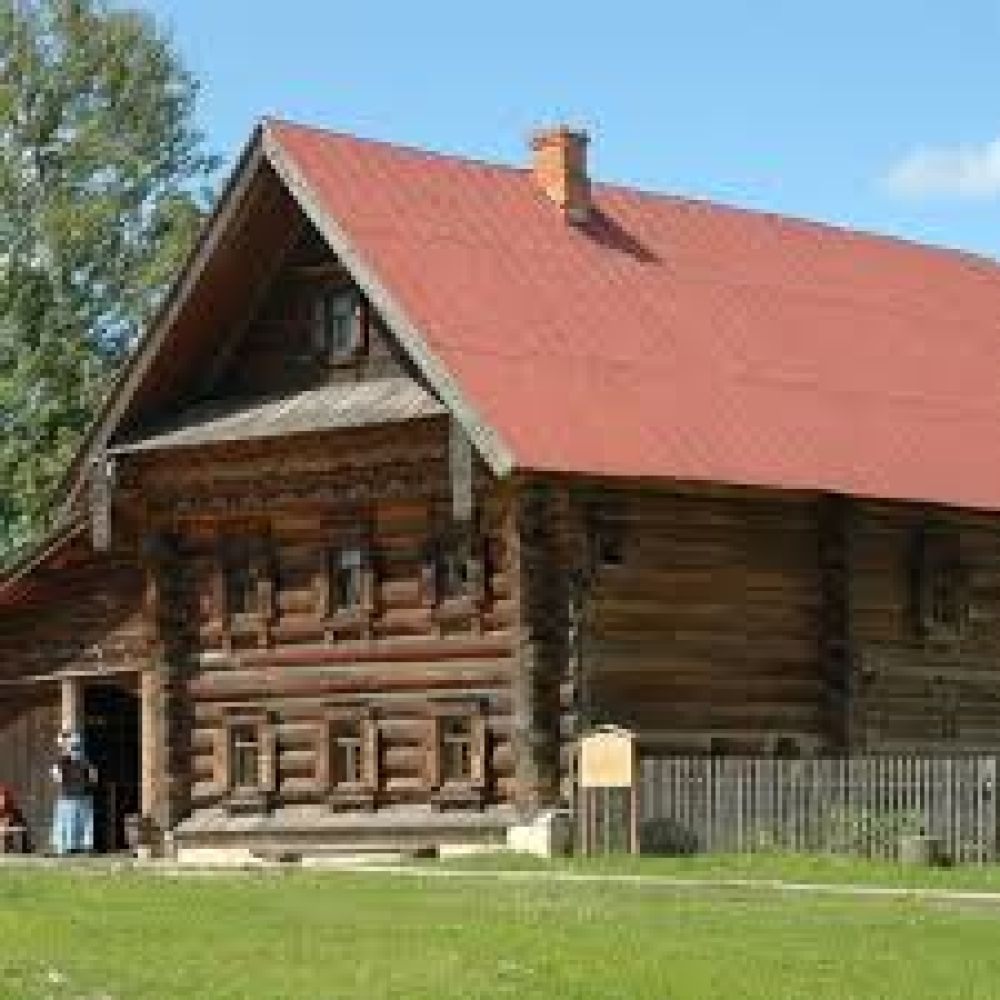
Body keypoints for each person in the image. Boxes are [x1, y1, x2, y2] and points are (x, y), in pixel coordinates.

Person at [50, 730, 98, 856]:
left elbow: (57, 778)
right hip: (84, 794)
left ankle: (66, 847)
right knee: (86, 822)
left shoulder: (61, 761)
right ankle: (87, 846)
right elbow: (94, 777)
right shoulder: (86, 761)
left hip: (68, 795)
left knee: (65, 821)